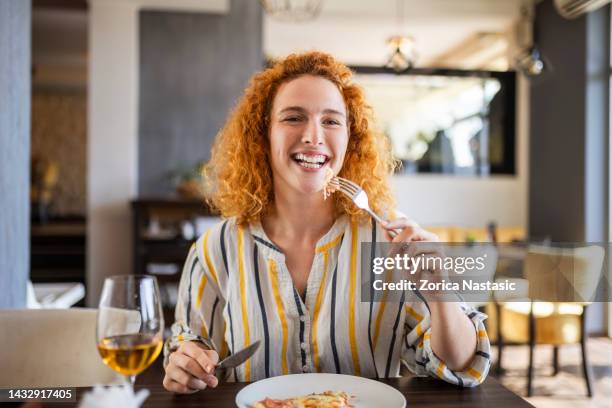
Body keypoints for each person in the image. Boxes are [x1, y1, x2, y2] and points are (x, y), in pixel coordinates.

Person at [162, 51, 491, 394]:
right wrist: (187, 366)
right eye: (293, 118)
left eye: (331, 121)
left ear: (351, 139)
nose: (313, 136)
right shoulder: (215, 250)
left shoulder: (392, 240)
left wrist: (440, 293)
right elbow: (187, 346)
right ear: (263, 135)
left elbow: (463, 366)